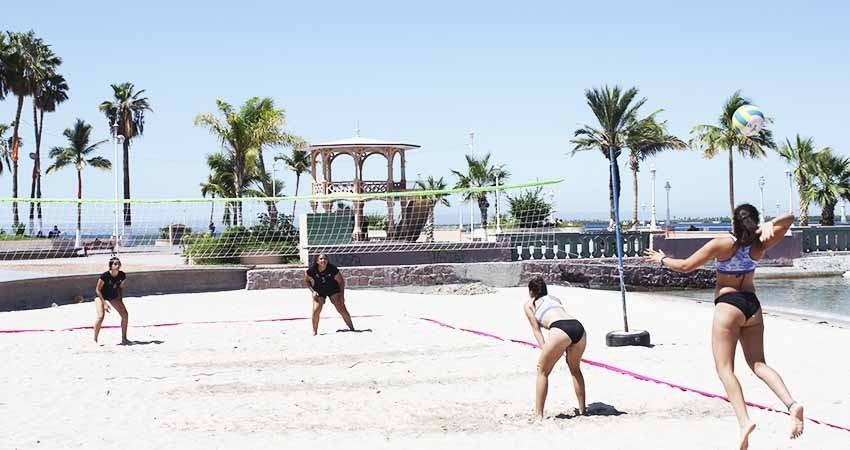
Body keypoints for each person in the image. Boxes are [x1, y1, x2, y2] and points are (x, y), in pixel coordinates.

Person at [644, 204, 803, 449]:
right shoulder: (760, 244)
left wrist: (662, 259)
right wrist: (771, 224)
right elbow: (791, 218)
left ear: (734, 223)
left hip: (729, 305)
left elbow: (686, 266)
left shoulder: (722, 243)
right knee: (759, 364)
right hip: (752, 306)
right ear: (754, 222)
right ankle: (792, 405)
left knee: (725, 369)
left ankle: (744, 421)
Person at [522, 276, 587, 419]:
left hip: (559, 329)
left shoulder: (529, 304)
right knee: (575, 369)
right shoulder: (555, 299)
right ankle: (582, 409)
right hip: (578, 327)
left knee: (542, 371)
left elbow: (536, 330)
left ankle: (539, 415)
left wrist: (544, 348)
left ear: (531, 291)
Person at [304, 254, 355, 335]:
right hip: (319, 291)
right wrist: (313, 291)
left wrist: (342, 295)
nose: (323, 260)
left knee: (341, 308)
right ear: (317, 261)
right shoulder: (312, 270)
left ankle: (352, 328)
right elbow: (307, 281)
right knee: (316, 310)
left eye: (325, 259)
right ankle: (315, 332)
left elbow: (341, 282)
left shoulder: (332, 269)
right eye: (321, 259)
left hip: (333, 289)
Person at [94, 256, 130, 344]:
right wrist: (104, 303)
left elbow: (120, 288)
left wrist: (120, 299)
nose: (118, 265)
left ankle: (124, 338)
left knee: (125, 315)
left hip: (112, 296)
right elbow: (97, 290)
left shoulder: (122, 275)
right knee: (101, 316)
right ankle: (95, 339)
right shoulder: (105, 276)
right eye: (115, 264)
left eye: (119, 264)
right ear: (111, 266)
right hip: (101, 296)